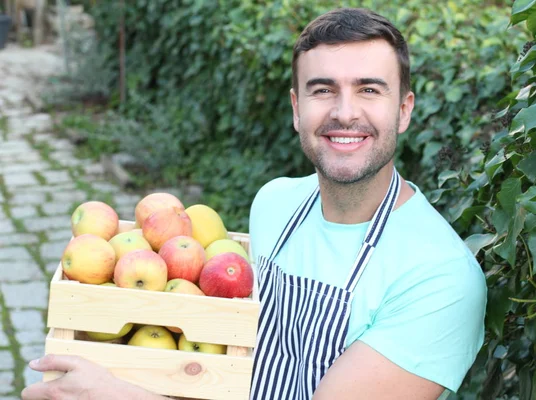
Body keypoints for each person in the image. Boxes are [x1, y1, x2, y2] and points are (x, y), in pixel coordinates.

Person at [21, 7, 487, 400]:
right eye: (322, 89)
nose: (345, 111)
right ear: (295, 108)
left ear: (403, 110)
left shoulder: (440, 279)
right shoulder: (276, 204)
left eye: (369, 89)